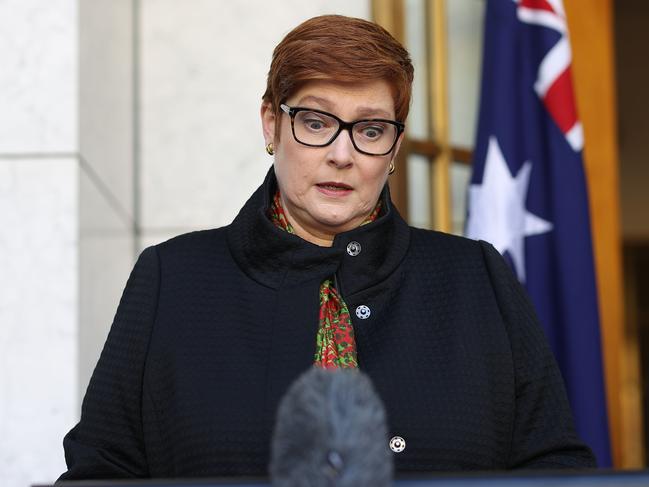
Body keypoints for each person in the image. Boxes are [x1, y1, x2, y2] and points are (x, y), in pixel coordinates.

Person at [59, 14, 595, 480]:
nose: (342, 153)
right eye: (316, 122)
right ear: (272, 123)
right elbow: (101, 472)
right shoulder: (171, 279)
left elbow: (557, 471)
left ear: (395, 147)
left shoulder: (477, 277)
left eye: (370, 128)